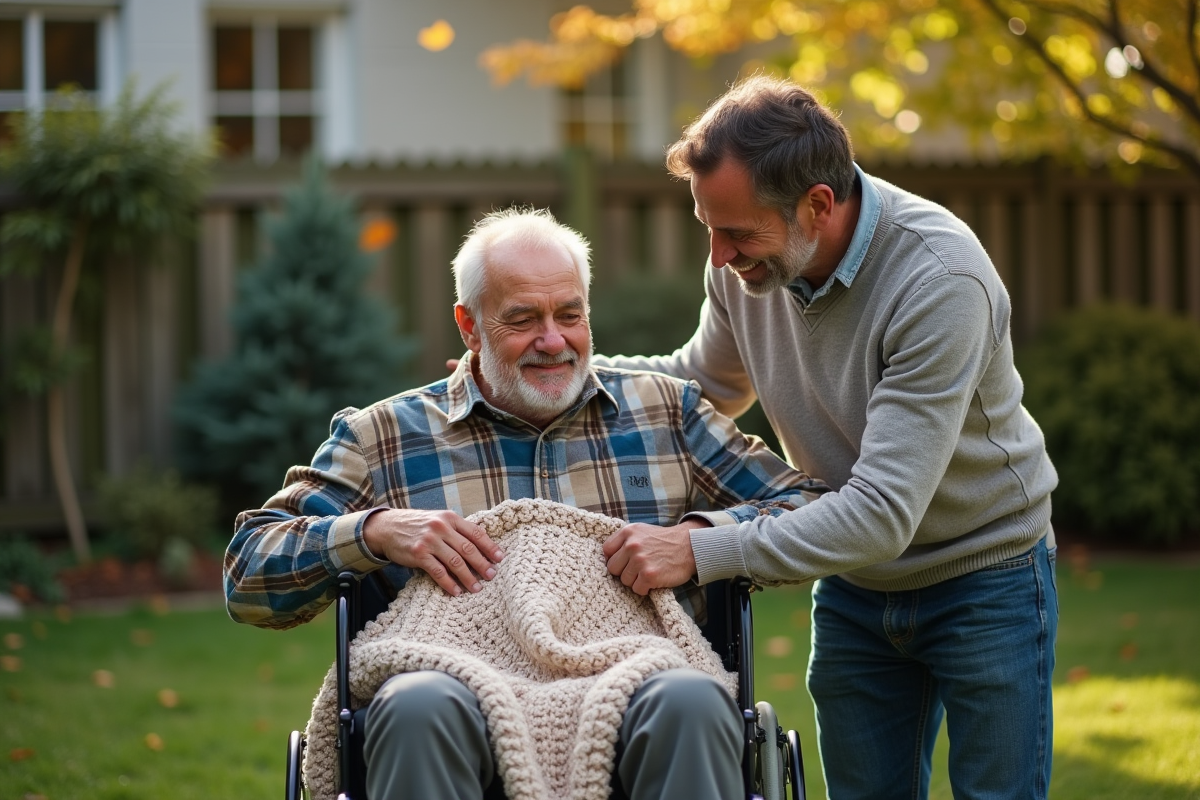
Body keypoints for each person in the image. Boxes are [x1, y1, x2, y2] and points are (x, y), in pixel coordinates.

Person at [224, 207, 826, 800]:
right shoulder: (382, 436)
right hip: (451, 687)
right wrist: (374, 531)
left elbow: (807, 505)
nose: (553, 340)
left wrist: (697, 543)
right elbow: (247, 575)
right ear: (468, 325)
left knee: (694, 699)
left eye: (570, 315)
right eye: (522, 320)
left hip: (639, 676)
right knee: (415, 704)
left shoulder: (668, 414)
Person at [597, 76, 1060, 800]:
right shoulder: (745, 266)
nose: (719, 256)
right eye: (708, 229)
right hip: (856, 584)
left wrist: (697, 549)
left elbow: (881, 512)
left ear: (818, 203)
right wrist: (558, 367)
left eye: (739, 234)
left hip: (984, 575)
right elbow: (705, 382)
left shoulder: (938, 278)